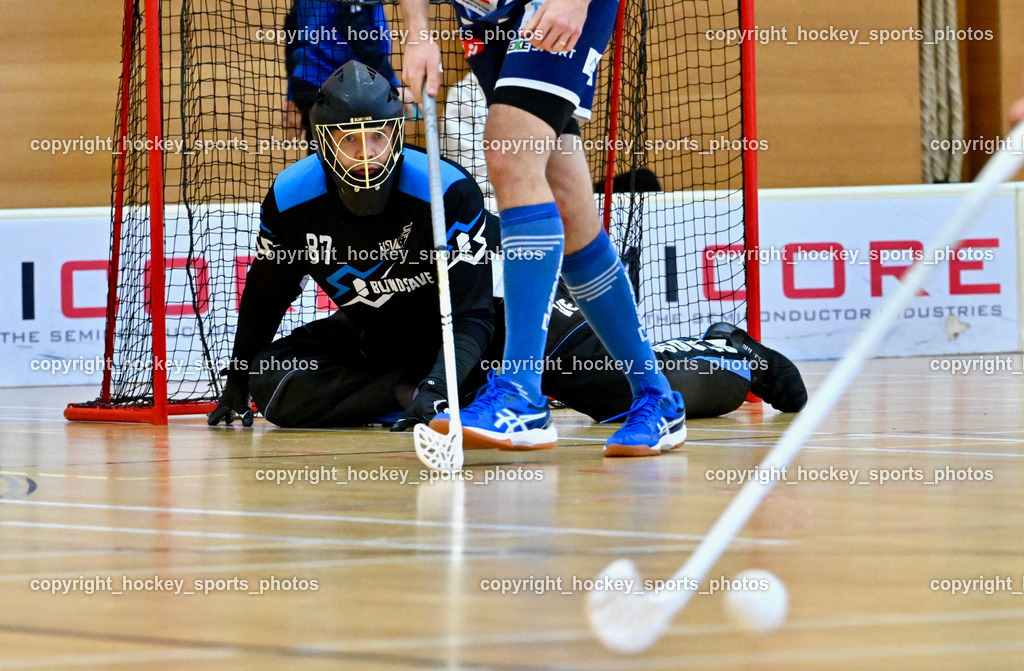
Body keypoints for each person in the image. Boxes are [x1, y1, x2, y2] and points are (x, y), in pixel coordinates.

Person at [208, 61, 808, 439]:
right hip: (383, 340)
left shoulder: (444, 189)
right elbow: (267, 295)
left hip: (495, 326)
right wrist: (236, 380)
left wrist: (443, 378)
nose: (364, 154)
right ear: (322, 142)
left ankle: (731, 354)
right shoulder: (291, 198)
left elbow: (470, 313)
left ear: (395, 134)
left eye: (376, 137)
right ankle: (433, 399)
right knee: (273, 384)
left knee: (613, 390)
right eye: (348, 139)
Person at [400, 0, 689, 455]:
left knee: (508, 149)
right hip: (486, 15)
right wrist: (416, 29)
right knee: (569, 209)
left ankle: (521, 394)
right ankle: (658, 398)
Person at [282, 0, 414, 141]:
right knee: (378, 148)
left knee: (323, 151)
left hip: (306, 84)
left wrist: (292, 94)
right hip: (346, 87)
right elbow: (354, 25)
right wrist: (390, 83)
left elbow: (292, 31)